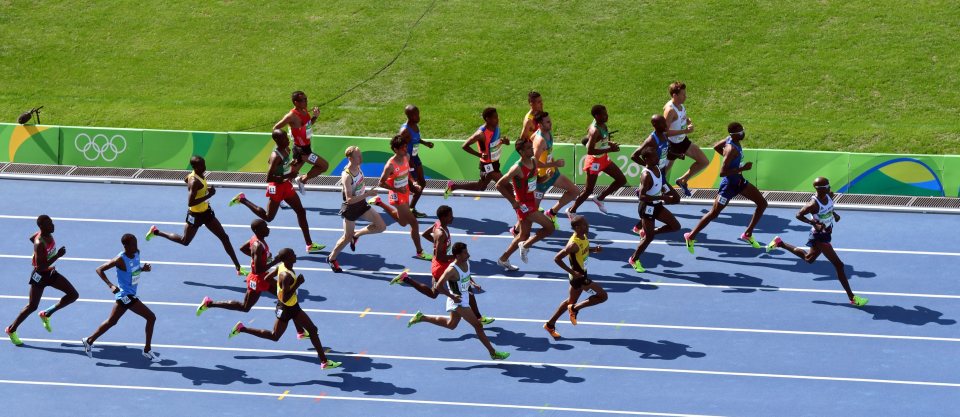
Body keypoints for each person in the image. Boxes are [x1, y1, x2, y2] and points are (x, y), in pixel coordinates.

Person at [229, 248, 342, 369]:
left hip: (291, 307)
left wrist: (280, 288)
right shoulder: (286, 275)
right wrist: (297, 283)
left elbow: (267, 279)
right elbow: (286, 298)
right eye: (293, 254)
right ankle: (243, 329)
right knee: (275, 336)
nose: (295, 255)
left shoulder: (282, 266)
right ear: (288, 259)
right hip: (287, 308)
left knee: (312, 330)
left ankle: (322, 360)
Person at [767, 178, 869, 306]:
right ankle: (853, 298)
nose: (830, 188)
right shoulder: (813, 204)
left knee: (808, 259)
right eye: (827, 186)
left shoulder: (829, 195)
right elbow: (799, 215)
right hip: (819, 236)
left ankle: (779, 242)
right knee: (839, 265)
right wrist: (814, 223)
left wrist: (834, 214)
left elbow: (829, 208)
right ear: (820, 188)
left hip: (827, 232)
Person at [390, 205, 493, 325]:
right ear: (444, 217)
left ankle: (406, 279)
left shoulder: (438, 224)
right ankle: (479, 318)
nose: (453, 217)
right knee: (467, 289)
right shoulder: (441, 234)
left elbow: (425, 235)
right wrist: (454, 256)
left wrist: (441, 246)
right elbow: (439, 256)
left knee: (434, 294)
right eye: (450, 216)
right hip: (441, 266)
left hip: (439, 263)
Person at [407, 242, 510, 360]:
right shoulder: (451, 270)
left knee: (451, 325)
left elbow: (466, 275)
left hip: (464, 297)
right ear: (457, 256)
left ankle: (422, 317)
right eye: (465, 253)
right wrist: (452, 297)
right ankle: (493, 353)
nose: (468, 254)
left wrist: (473, 283)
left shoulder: (466, 262)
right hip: (458, 301)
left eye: (467, 251)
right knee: (478, 325)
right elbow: (439, 286)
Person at [229, 129, 325, 255]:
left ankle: (309, 244)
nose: (288, 139)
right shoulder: (275, 156)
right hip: (276, 187)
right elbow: (268, 178)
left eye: (287, 137)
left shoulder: (286, 149)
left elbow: (285, 165)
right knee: (268, 218)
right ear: (278, 140)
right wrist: (289, 174)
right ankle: (242, 199)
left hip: (285, 185)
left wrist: (291, 166)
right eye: (285, 138)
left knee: (301, 211)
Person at [146, 155, 245, 276]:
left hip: (206, 213)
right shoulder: (194, 181)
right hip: (195, 215)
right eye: (202, 165)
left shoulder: (194, 176)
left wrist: (203, 191)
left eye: (204, 164)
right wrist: (209, 195)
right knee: (185, 241)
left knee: (224, 237)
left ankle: (238, 267)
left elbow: (186, 180)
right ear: (196, 167)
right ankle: (156, 232)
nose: (205, 166)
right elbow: (190, 202)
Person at [684, 122, 768, 253]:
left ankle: (748, 234)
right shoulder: (731, 149)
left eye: (743, 130)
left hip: (739, 182)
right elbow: (722, 173)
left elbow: (716, 147)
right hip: (728, 186)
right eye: (740, 131)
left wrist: (734, 165)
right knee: (714, 213)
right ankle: (690, 236)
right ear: (734, 134)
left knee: (762, 203)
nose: (743, 133)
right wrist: (742, 168)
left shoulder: (729, 140)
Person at [81, 234, 158, 360]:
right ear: (125, 246)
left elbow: (133, 269)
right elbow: (99, 269)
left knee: (112, 321)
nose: (136, 246)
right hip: (126, 295)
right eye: (133, 244)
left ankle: (89, 340)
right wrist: (110, 285)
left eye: (136, 243)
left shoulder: (136, 253)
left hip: (130, 293)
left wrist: (143, 269)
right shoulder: (120, 259)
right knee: (151, 317)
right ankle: (147, 350)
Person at [5, 215, 79, 346]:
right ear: (42, 227)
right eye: (49, 224)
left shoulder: (43, 235)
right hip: (40, 276)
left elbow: (31, 239)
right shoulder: (40, 243)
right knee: (32, 306)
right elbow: (40, 267)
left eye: (52, 222)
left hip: (50, 273)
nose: (53, 225)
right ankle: (11, 330)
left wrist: (38, 255)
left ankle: (46, 313)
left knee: (73, 295)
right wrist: (57, 255)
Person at [543, 215, 607, 340]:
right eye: (584, 224)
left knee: (569, 301)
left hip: (581, 274)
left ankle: (550, 325)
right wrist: (573, 272)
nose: (587, 226)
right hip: (579, 278)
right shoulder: (573, 244)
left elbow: (584, 249)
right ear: (577, 227)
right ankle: (574, 309)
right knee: (603, 296)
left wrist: (594, 250)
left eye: (586, 223)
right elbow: (557, 258)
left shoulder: (583, 236)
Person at [495, 137, 555, 270]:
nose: (532, 149)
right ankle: (526, 245)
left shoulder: (533, 161)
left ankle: (503, 259)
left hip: (532, 201)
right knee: (550, 227)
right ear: (521, 151)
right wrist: (513, 202)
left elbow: (537, 180)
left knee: (523, 235)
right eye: (528, 148)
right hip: (523, 205)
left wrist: (548, 176)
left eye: (531, 147)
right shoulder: (517, 168)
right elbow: (499, 185)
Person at [368, 135, 430, 260]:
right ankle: (420, 251)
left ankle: (379, 203)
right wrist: (396, 189)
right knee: (414, 223)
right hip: (396, 195)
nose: (405, 149)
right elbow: (381, 183)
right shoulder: (390, 166)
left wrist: (414, 182)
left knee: (402, 223)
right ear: (395, 149)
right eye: (402, 148)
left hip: (405, 191)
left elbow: (407, 173)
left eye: (406, 146)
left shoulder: (406, 157)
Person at [326, 146, 387, 272]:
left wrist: (365, 194)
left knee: (381, 226)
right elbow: (349, 199)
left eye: (360, 155)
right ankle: (332, 258)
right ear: (350, 158)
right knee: (346, 237)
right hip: (351, 208)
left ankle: (357, 235)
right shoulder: (346, 176)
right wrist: (367, 194)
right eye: (358, 156)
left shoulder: (358, 167)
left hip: (362, 204)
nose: (361, 158)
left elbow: (359, 186)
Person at [627, 147, 681, 272]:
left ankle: (648, 232)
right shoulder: (646, 175)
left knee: (675, 226)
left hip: (656, 205)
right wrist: (662, 197)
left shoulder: (657, 169)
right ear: (646, 159)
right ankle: (634, 259)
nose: (657, 159)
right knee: (649, 238)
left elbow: (663, 183)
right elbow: (642, 196)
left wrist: (674, 194)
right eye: (654, 157)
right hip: (647, 208)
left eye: (657, 156)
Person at [567, 104, 627, 216]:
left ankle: (600, 198)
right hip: (594, 162)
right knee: (588, 190)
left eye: (606, 113)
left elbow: (601, 140)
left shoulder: (602, 125)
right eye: (604, 114)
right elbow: (590, 151)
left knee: (621, 180)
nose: (607, 116)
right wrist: (610, 149)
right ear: (596, 116)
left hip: (603, 159)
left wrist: (609, 143)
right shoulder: (595, 131)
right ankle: (571, 210)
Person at [443, 107, 510, 198]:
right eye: (494, 118)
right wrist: (479, 154)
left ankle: (453, 186)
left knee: (481, 187)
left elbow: (493, 143)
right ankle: (520, 206)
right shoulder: (480, 134)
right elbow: (464, 146)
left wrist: (503, 141)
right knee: (506, 185)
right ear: (487, 119)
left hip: (495, 161)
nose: (497, 119)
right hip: (488, 165)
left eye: (497, 117)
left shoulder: (496, 126)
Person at [274, 90, 329, 193]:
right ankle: (301, 181)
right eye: (303, 100)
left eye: (306, 99)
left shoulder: (304, 111)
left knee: (290, 174)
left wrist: (315, 116)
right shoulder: (291, 116)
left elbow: (307, 126)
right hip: (302, 151)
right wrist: (283, 144)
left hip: (306, 147)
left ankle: (297, 183)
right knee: (324, 166)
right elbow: (276, 128)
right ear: (296, 102)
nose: (306, 101)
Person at [663, 81, 709, 197]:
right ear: (675, 95)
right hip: (672, 145)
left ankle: (682, 180)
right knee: (662, 174)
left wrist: (687, 121)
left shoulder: (681, 106)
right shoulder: (670, 110)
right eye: (683, 94)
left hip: (682, 141)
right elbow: (664, 132)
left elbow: (679, 119)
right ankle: (645, 190)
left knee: (704, 161)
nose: (686, 96)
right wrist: (685, 131)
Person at [632, 114, 673, 234]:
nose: (666, 125)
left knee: (674, 199)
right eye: (663, 123)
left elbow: (664, 153)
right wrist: (649, 169)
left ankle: (642, 225)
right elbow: (634, 155)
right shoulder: (651, 139)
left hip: (662, 174)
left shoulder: (664, 136)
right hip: (656, 175)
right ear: (655, 125)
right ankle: (644, 227)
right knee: (671, 198)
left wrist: (676, 155)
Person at [398, 105, 434, 218]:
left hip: (415, 157)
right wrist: (407, 160)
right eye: (416, 115)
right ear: (410, 116)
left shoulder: (415, 125)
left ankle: (410, 208)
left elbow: (416, 139)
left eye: (418, 113)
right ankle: (405, 209)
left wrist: (425, 143)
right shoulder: (405, 130)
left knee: (422, 183)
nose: (419, 116)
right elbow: (397, 146)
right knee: (414, 186)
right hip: (408, 159)